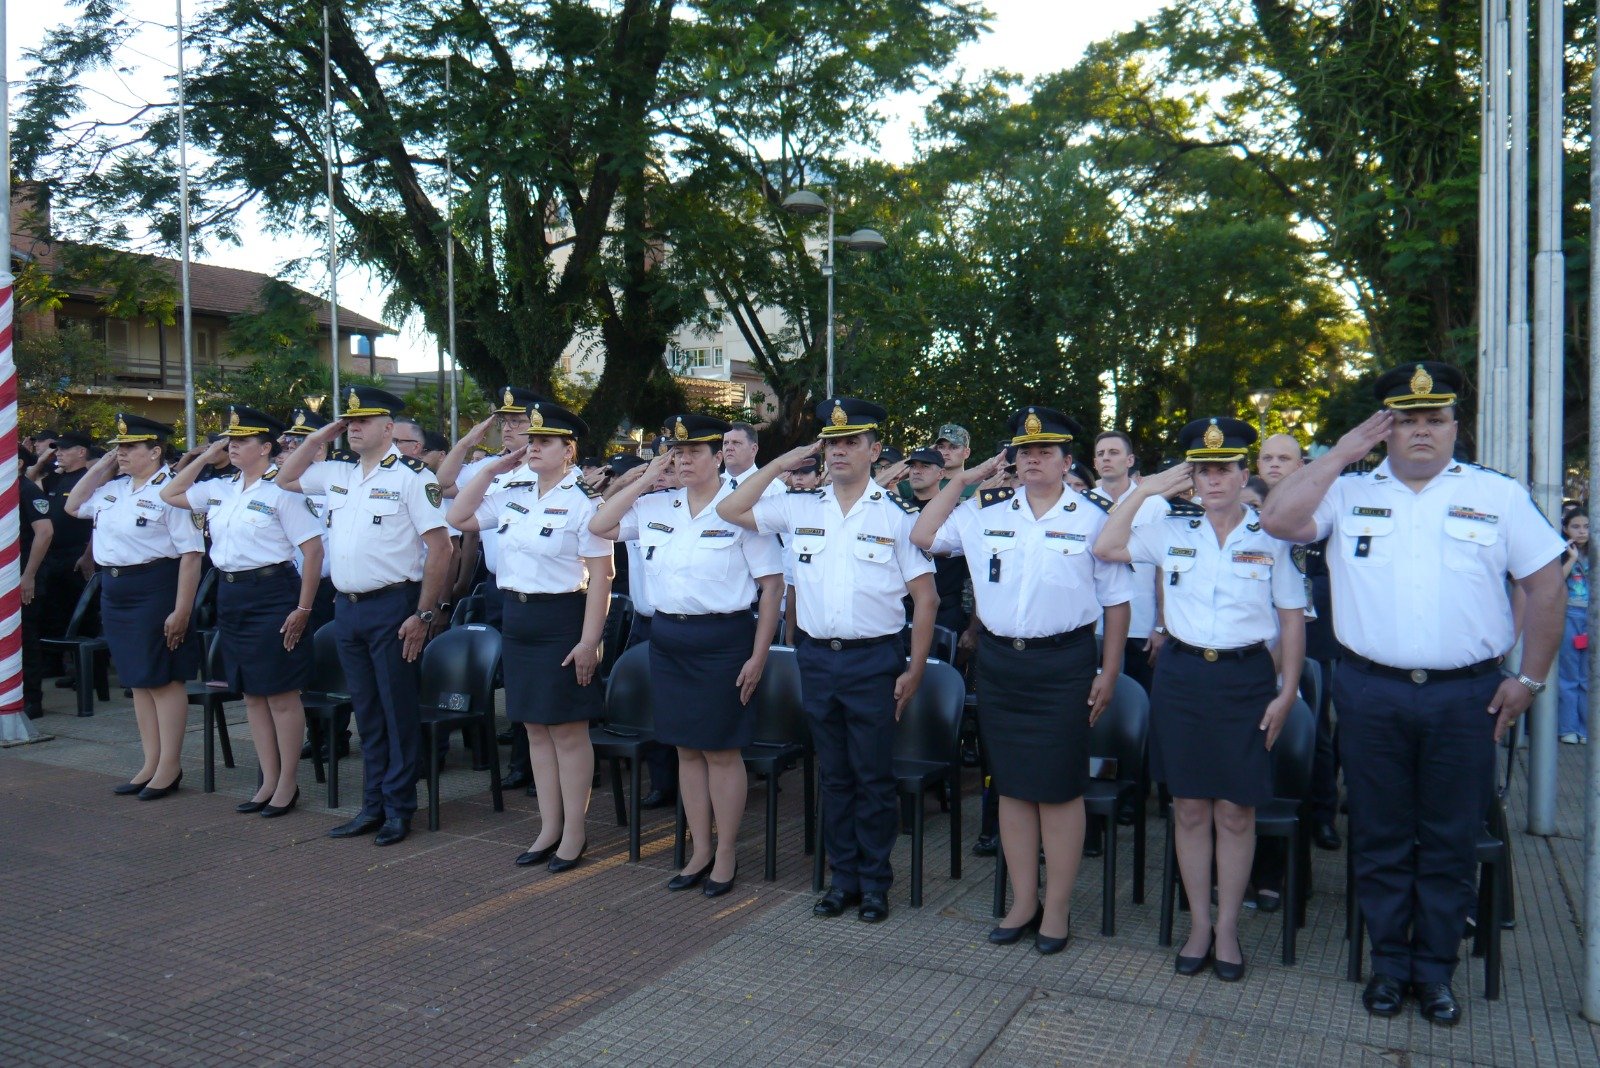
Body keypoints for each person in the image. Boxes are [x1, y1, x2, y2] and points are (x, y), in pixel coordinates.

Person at [1261, 361, 1565, 1024]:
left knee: (1451, 836)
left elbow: (1547, 585)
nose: (1422, 431)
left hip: (1466, 697)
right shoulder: (1345, 491)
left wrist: (1529, 680)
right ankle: (1389, 966)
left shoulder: (1498, 495)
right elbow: (1279, 521)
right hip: (1373, 692)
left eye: (1435, 419)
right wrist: (1342, 451)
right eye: (1407, 421)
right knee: (1380, 831)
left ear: (1457, 426)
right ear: (1385, 429)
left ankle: (1436, 972)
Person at [912, 406, 1132, 954]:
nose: (1033, 460)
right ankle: (1022, 901)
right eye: (1024, 451)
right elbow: (923, 533)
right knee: (1010, 788)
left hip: (1064, 665)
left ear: (1065, 461)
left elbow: (1117, 600)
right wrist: (961, 479)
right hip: (1002, 664)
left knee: (1058, 792)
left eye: (1045, 452)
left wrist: (1111, 669)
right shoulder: (984, 512)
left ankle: (1056, 909)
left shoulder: (1094, 515)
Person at [1095, 416, 1306, 983]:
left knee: (1236, 812)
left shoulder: (1272, 535)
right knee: (1187, 807)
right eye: (1203, 470)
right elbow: (1108, 543)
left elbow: (1290, 617)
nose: (1214, 480)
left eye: (1225, 469)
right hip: (1184, 678)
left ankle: (1230, 927)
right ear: (1193, 477)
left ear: (1244, 475)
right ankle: (1199, 925)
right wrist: (1150, 486)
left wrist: (1288, 691)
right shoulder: (1171, 528)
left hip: (1245, 680)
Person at [719, 397, 937, 923]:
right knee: (834, 775)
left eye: (850, 442)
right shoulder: (800, 506)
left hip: (873, 660)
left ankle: (876, 882)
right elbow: (731, 509)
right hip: (817, 658)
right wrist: (779, 461)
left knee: (872, 776)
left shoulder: (895, 516)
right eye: (831, 443)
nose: (838, 451)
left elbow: (926, 598)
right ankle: (843, 880)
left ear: (874, 449)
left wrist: (912, 668)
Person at [591, 414, 784, 895]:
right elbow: (600, 523)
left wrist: (758, 657)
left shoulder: (738, 509)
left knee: (720, 753)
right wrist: (643, 479)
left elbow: (772, 587)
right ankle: (699, 848)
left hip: (724, 642)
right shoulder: (659, 506)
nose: (684, 459)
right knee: (685, 750)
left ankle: (726, 853)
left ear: (718, 455)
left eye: (695, 451)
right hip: (669, 641)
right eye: (677, 452)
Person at [275, 387, 452, 847]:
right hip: (347, 607)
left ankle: (398, 808)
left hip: (395, 606)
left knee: (397, 712)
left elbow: (441, 548)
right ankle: (372, 804)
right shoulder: (338, 472)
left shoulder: (414, 477)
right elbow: (285, 478)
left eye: (365, 420)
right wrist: (320, 437)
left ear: (389, 427)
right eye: (349, 421)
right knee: (367, 713)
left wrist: (424, 614)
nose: (354, 428)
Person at [447, 399, 614, 872]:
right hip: (516, 620)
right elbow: (459, 518)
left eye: (545, 441)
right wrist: (493, 467)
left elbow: (602, 576)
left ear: (569, 450)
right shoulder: (511, 490)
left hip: (562, 619)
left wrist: (588, 641)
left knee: (567, 730)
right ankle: (548, 826)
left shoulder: (584, 502)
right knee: (535, 728)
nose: (533, 446)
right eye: (531, 440)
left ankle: (574, 834)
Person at [161, 405, 325, 817]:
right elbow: (169, 494)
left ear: (266, 447)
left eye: (242, 440)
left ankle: (288, 783)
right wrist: (203, 456)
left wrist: (304, 607)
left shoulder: (284, 490)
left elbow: (312, 551)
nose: (233, 446)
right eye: (230, 440)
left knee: (281, 694)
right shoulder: (221, 488)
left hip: (273, 594)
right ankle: (266, 779)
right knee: (252, 694)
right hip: (232, 595)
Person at [65, 415, 206, 798]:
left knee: (162, 677)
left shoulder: (172, 492)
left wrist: (182, 610)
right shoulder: (113, 488)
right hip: (115, 589)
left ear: (155, 451)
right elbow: (74, 505)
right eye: (119, 447)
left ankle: (170, 766)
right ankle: (150, 761)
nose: (121, 452)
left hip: (155, 586)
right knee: (138, 681)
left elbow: (191, 555)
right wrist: (104, 463)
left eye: (130, 447)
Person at [436, 386, 541, 787]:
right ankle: (519, 762)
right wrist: (468, 440)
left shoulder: (541, 469)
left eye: (517, 421)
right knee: (512, 676)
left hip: (540, 589)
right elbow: (444, 483)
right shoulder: (492, 468)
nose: (509, 429)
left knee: (533, 679)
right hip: (499, 585)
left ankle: (531, 763)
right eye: (504, 422)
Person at [38, 430, 98, 681]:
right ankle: (56, 666)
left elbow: (99, 521)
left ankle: (88, 672)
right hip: (54, 556)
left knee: (82, 615)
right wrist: (44, 461)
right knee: (55, 612)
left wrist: (88, 555)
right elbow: (31, 478)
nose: (58, 453)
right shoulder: (56, 478)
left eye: (64, 449)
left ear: (81, 452)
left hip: (78, 554)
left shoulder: (90, 480)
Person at [899, 446, 971, 635]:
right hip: (902, 608)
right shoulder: (897, 510)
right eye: (913, 466)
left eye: (925, 466)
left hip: (946, 610)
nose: (916, 471)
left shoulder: (957, 513)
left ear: (941, 473)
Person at [17, 465, 54, 718]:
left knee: (25, 638)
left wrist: (28, 575)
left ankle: (31, 700)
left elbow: (45, 532)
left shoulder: (26, 489)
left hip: (23, 574)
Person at [1558, 511, 1589, 745]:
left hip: (1592, 617)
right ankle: (1568, 727)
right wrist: (1571, 558)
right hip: (1568, 614)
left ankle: (1587, 728)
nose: (1582, 531)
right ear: (1566, 529)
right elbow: (1556, 581)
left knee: (1588, 677)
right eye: (1576, 526)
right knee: (1568, 675)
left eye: (1586, 526)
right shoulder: (1560, 551)